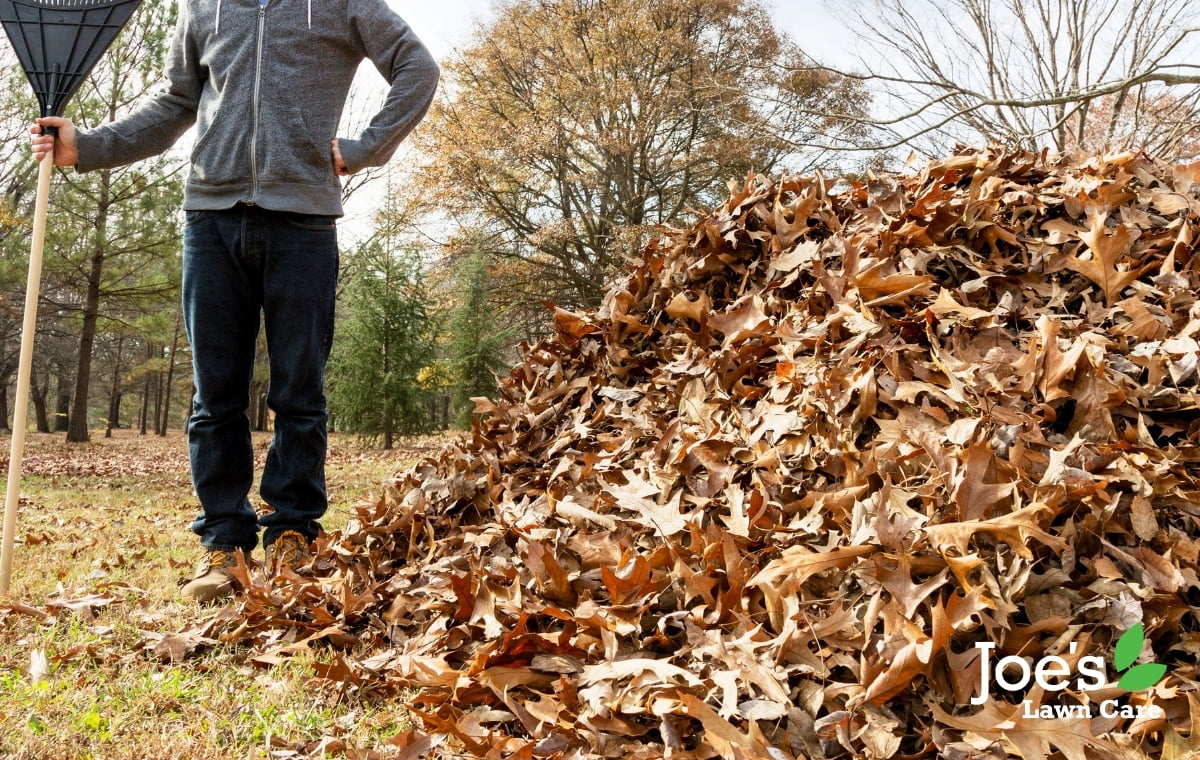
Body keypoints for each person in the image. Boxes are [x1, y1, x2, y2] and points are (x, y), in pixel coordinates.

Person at [29, 0, 440, 602]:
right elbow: (174, 104)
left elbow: (417, 67)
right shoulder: (202, 6)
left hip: (302, 221)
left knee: (299, 392)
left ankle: (294, 533)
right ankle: (223, 543)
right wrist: (86, 147)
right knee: (214, 395)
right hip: (210, 219)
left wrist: (367, 147)